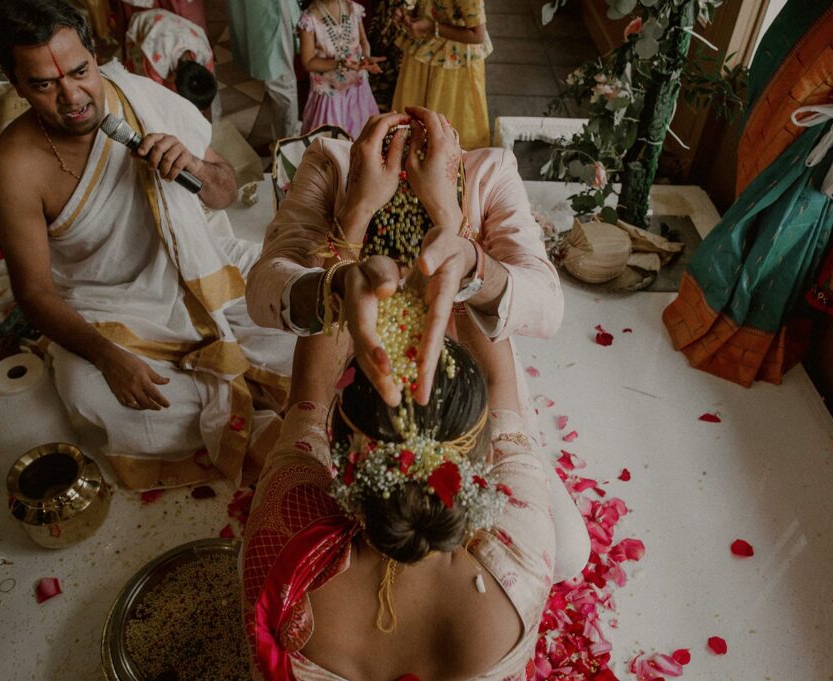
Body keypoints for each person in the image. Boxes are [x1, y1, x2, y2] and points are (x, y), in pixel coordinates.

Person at [246, 108, 590, 582]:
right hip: (360, 397)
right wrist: (357, 212)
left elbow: (547, 308)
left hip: (466, 395)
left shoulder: (487, 172)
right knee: (344, 541)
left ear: (453, 154)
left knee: (569, 551)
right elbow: (264, 292)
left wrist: (456, 229)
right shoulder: (333, 162)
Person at [0, 0, 294, 490]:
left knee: (298, 310)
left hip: (204, 268)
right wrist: (108, 357)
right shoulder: (14, 166)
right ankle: (248, 411)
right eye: (44, 84)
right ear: (15, 84)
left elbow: (226, 192)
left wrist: (192, 164)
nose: (73, 96)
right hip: (115, 308)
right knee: (88, 392)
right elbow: (35, 293)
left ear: (93, 53)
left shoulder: (139, 95)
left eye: (81, 71)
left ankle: (239, 391)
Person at [241, 309, 554, 680]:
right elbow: (500, 383)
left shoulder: (281, 535)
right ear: (485, 462)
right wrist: (470, 272)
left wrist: (336, 268)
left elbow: (308, 394)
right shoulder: (525, 547)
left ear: (339, 462)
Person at [662, 0, 833, 387]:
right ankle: (706, 307)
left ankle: (745, 332)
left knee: (797, 202)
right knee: (764, 179)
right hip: (811, 37)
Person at [391, 0, 492, 150]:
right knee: (411, 130)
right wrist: (406, 13)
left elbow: (477, 35)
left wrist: (432, 27)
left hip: (454, 66)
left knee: (449, 133)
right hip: (422, 53)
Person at [298, 0, 383, 139]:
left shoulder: (353, 8)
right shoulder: (309, 19)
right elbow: (308, 62)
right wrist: (340, 64)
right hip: (329, 94)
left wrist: (365, 57)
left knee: (363, 137)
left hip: (357, 89)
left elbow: (363, 40)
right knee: (331, 144)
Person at [227, 0, 301, 140]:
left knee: (280, 81)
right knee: (278, 81)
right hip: (263, 10)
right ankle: (284, 142)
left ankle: (286, 142)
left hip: (270, 11)